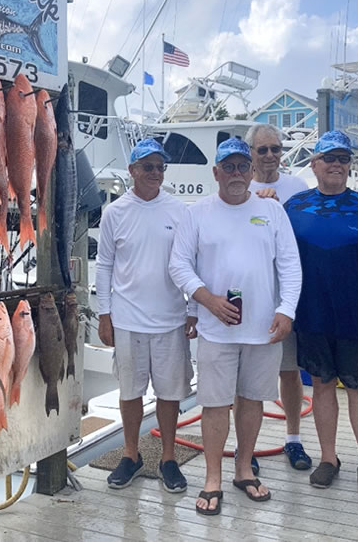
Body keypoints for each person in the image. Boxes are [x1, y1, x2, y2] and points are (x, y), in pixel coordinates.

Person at [169, 137, 302, 516]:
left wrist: (287, 310)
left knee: (252, 400)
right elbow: (179, 264)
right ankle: (213, 478)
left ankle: (244, 469)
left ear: (253, 171)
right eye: (229, 167)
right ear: (216, 173)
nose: (237, 174)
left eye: (243, 166)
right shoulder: (196, 214)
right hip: (216, 328)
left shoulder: (273, 212)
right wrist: (207, 300)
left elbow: (290, 266)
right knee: (214, 404)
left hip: (264, 329)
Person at [284, 130, 358, 497]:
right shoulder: (294, 207)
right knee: (321, 387)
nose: (336, 165)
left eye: (343, 159)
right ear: (313, 164)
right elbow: (279, 262)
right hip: (312, 315)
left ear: (350, 166)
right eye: (329, 158)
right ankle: (329, 458)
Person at [96, 138, 197, 494]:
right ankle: (131, 454)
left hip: (170, 318)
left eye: (160, 167)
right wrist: (103, 313)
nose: (155, 173)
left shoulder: (180, 211)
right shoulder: (114, 212)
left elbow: (191, 263)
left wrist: (193, 309)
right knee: (130, 391)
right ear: (132, 171)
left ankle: (168, 457)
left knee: (170, 394)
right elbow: (105, 264)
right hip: (126, 318)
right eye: (148, 167)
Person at [243, 123, 312, 472]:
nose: (270, 156)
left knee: (289, 372)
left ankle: (293, 439)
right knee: (247, 377)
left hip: (285, 298)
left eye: (276, 149)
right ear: (251, 153)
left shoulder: (298, 188)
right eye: (262, 150)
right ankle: (246, 449)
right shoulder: (238, 187)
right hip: (249, 299)